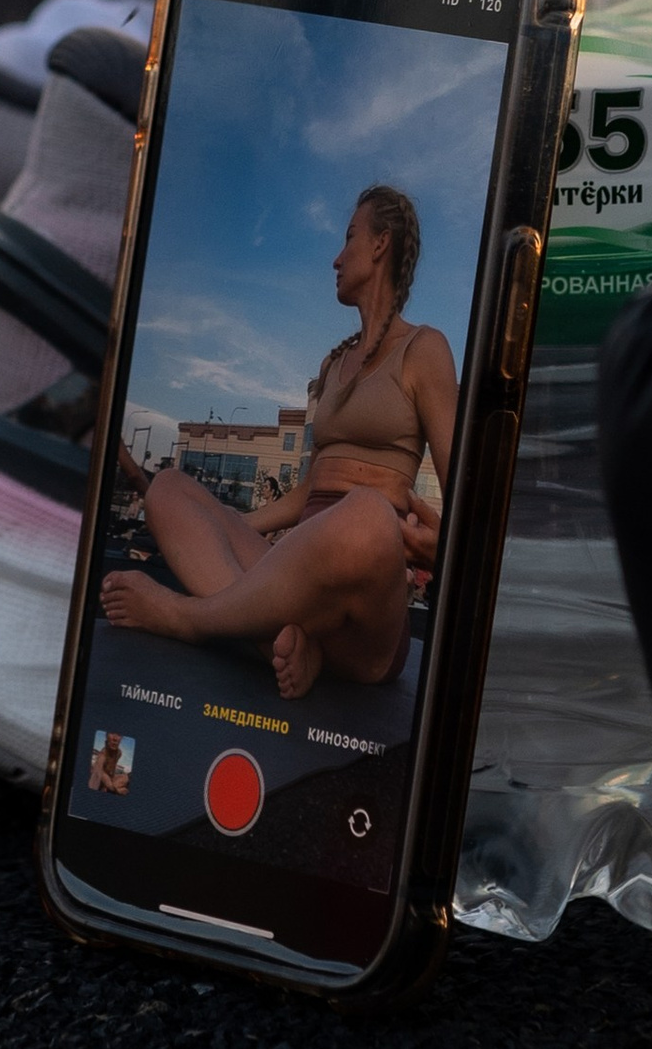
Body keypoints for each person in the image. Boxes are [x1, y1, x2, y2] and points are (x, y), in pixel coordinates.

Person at [100, 185, 456, 701]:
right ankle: (283, 647)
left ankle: (187, 618)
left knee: (367, 516)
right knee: (170, 490)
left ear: (380, 244)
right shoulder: (333, 366)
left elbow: (461, 486)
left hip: (364, 600)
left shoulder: (425, 349)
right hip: (293, 581)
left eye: (349, 238)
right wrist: (227, 524)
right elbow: (306, 492)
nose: (336, 259)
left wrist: (442, 544)